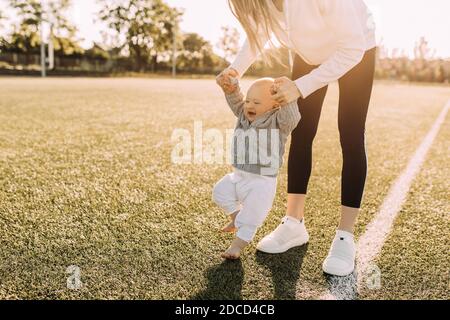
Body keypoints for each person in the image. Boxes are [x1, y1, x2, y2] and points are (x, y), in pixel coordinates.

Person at [216, 0, 377, 276]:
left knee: (350, 135)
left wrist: (300, 87)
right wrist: (235, 71)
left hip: (355, 50)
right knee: (300, 132)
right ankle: (294, 223)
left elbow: (352, 49)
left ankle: (345, 236)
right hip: (308, 55)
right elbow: (258, 34)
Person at [212, 77, 301, 260]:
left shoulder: (279, 121)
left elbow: (292, 117)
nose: (249, 105)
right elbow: (237, 102)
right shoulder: (244, 115)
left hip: (262, 182)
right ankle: (236, 218)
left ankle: (236, 247)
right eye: (248, 101)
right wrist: (232, 89)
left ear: (275, 105)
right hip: (238, 176)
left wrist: (286, 97)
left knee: (252, 216)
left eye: (257, 102)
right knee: (219, 191)